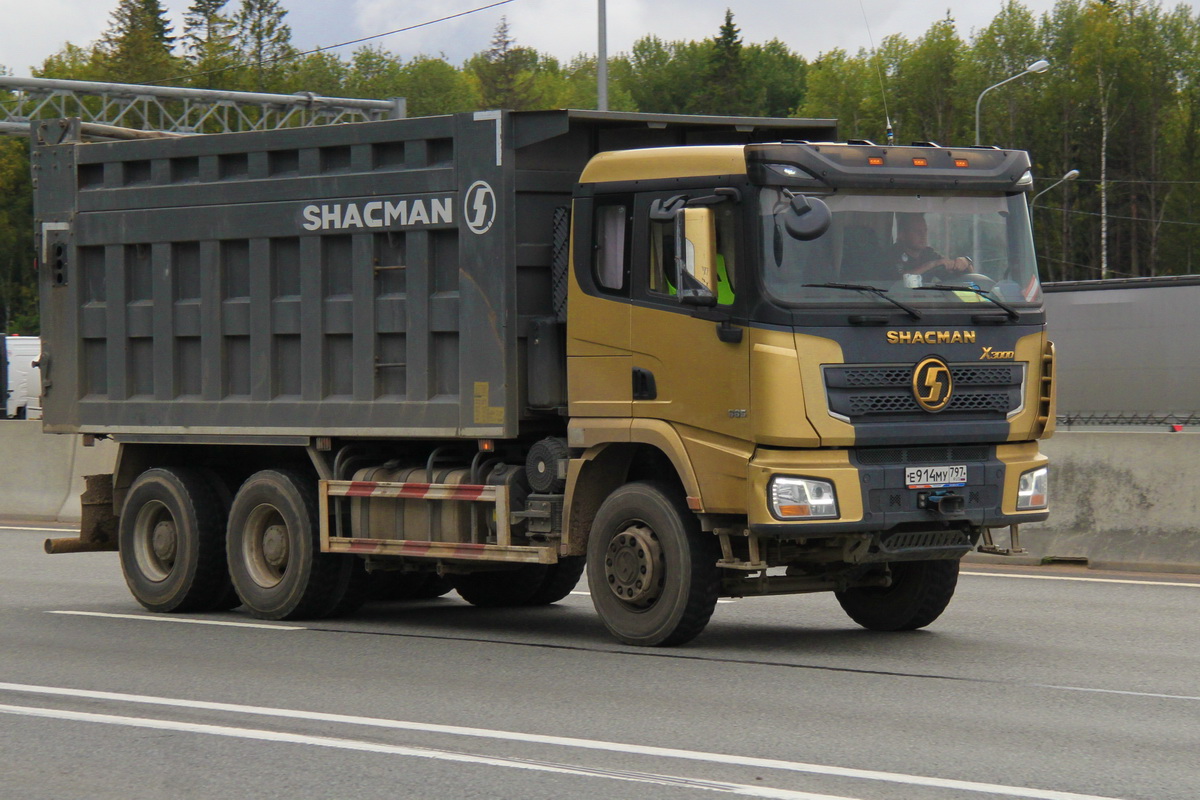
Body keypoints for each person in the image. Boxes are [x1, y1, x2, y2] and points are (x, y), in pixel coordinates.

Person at [889, 213, 973, 278]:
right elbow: (899, 281)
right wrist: (931, 265)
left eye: (925, 231)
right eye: (917, 231)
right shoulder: (891, 255)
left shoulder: (928, 253)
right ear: (902, 235)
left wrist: (965, 262)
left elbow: (954, 277)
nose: (923, 235)